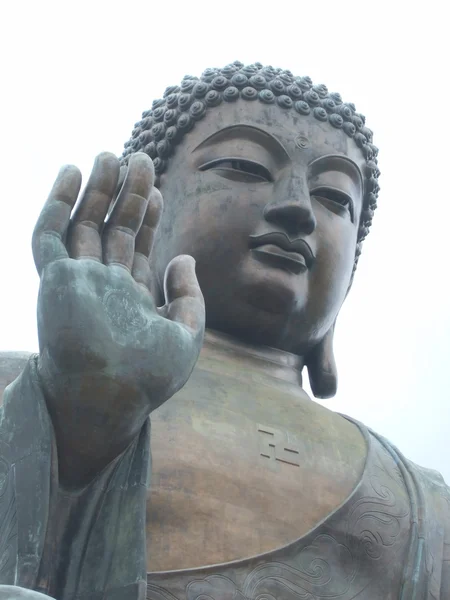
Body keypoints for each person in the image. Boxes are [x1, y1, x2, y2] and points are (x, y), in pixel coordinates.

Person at [0, 61, 448, 600]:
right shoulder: (26, 390)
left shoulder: (425, 500)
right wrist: (79, 420)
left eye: (335, 198)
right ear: (145, 214)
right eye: (244, 166)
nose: (297, 209)